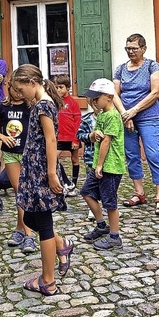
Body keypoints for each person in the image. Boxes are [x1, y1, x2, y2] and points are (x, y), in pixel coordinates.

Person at [10, 64, 73, 296]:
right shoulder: (38, 104)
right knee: (30, 217)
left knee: (43, 223)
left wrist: (51, 173)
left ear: (32, 83)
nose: (19, 94)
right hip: (33, 168)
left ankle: (48, 280)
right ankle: (61, 245)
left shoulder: (44, 106)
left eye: (20, 89)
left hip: (41, 171)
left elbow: (51, 141)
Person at [113, 33, 159, 215]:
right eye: (128, 48)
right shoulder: (120, 69)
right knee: (132, 155)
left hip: (148, 117)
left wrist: (133, 111)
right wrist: (125, 114)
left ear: (143, 48)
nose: (131, 52)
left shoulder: (152, 67)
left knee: (153, 154)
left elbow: (155, 93)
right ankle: (139, 192)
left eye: (134, 48)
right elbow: (114, 94)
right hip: (127, 117)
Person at [0, 83, 36, 253]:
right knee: (19, 191)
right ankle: (29, 235)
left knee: (24, 192)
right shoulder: (2, 106)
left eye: (19, 90)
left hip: (27, 152)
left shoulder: (31, 105)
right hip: (10, 154)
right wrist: (2, 136)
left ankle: (19, 229)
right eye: (14, 90)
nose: (17, 93)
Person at [80, 79, 126, 251]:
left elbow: (107, 141)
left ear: (108, 97)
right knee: (86, 192)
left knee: (110, 202)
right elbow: (98, 138)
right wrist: (93, 134)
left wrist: (99, 165)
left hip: (110, 166)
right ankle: (101, 225)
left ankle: (115, 236)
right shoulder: (102, 115)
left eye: (96, 98)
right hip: (99, 164)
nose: (93, 101)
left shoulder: (113, 116)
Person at [53, 74, 82, 196]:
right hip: (59, 137)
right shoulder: (54, 102)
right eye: (57, 87)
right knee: (53, 159)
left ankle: (73, 185)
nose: (59, 90)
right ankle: (65, 181)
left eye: (61, 87)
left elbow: (78, 120)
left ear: (68, 87)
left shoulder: (73, 102)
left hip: (72, 138)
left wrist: (76, 139)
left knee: (75, 160)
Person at [77, 87, 101, 220]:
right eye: (94, 103)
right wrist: (90, 136)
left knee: (107, 184)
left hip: (109, 159)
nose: (97, 106)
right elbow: (80, 135)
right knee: (92, 183)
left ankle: (110, 207)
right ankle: (93, 207)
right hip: (91, 157)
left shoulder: (112, 118)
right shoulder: (86, 119)